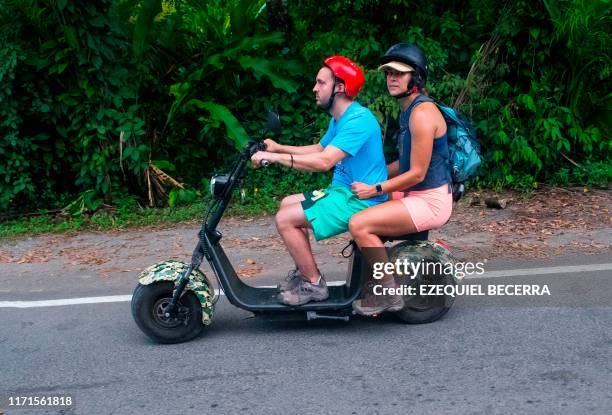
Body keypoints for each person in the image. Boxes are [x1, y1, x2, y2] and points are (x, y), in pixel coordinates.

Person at [251, 56, 388, 306]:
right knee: (286, 204)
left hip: (361, 199)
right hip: (342, 193)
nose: (315, 88)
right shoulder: (340, 118)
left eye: (320, 83)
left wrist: (274, 157)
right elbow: (319, 148)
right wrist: (279, 148)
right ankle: (306, 273)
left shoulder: (359, 120)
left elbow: (324, 161)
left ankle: (314, 284)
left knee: (285, 219)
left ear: (339, 87)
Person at [349, 43, 453, 316]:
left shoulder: (421, 114)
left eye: (399, 73)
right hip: (416, 194)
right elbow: (404, 164)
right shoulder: (409, 110)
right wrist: (376, 175)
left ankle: (389, 293)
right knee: (363, 209)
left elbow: (417, 173)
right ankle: (374, 277)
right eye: (388, 73)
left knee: (359, 224)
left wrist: (375, 188)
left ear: (416, 78)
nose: (391, 78)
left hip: (429, 200)